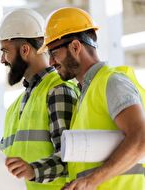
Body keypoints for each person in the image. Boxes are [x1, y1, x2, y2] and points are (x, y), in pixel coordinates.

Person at [37, 7, 145, 190]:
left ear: (75, 46)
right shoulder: (85, 93)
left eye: (53, 53)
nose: (51, 63)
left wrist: (90, 181)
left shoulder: (111, 82)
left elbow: (141, 138)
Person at [0, 8, 79, 190]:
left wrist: (33, 171)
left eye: (5, 50)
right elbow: (4, 156)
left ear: (25, 50)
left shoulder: (57, 90)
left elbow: (71, 158)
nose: (2, 59)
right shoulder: (16, 105)